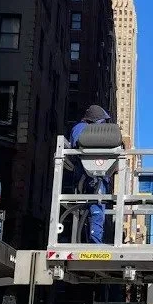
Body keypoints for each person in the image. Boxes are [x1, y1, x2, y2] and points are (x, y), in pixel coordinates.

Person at [70, 104, 111, 243]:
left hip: (99, 176)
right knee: (96, 209)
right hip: (88, 176)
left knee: (97, 210)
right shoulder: (81, 128)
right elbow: (78, 143)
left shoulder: (94, 130)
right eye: (101, 122)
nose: (104, 125)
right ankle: (94, 243)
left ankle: (94, 240)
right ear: (93, 120)